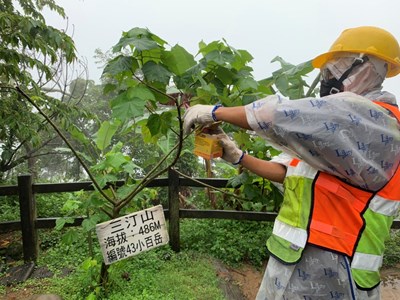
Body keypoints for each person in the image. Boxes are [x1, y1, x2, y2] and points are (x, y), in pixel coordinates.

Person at [183, 26, 400, 299]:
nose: (329, 77)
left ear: (370, 69)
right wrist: (239, 156)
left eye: (339, 66)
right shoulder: (336, 138)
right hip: (292, 268)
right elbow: (291, 173)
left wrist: (215, 112)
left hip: (338, 277)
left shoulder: (375, 123)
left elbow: (285, 116)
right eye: (327, 70)